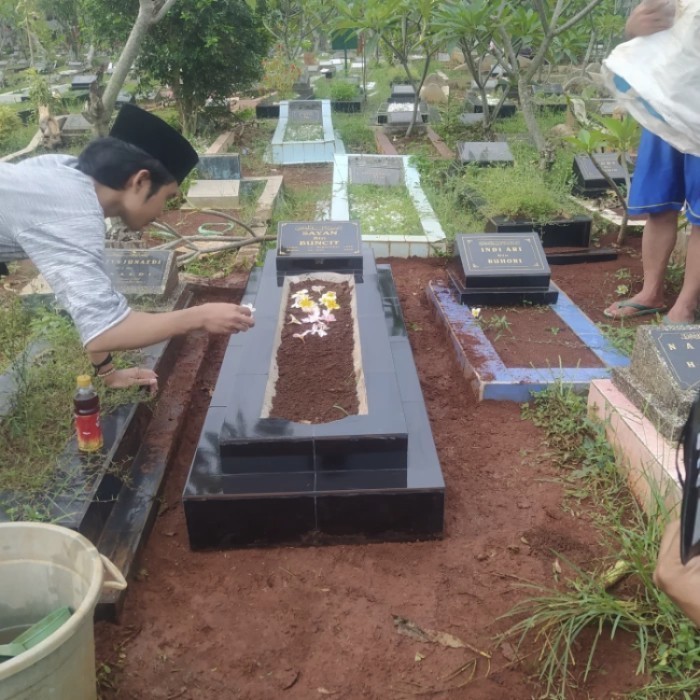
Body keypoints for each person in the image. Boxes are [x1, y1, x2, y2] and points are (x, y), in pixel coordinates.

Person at [0, 104, 254, 391]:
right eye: (167, 197)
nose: (162, 211)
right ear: (141, 181)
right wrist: (201, 316)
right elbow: (104, 330)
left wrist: (107, 372)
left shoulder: (68, 176)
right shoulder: (72, 213)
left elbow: (88, 296)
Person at [603, 0, 700, 324]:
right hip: (666, 96)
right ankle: (651, 291)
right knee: (660, 201)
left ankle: (685, 305)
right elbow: (653, 16)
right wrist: (635, 26)